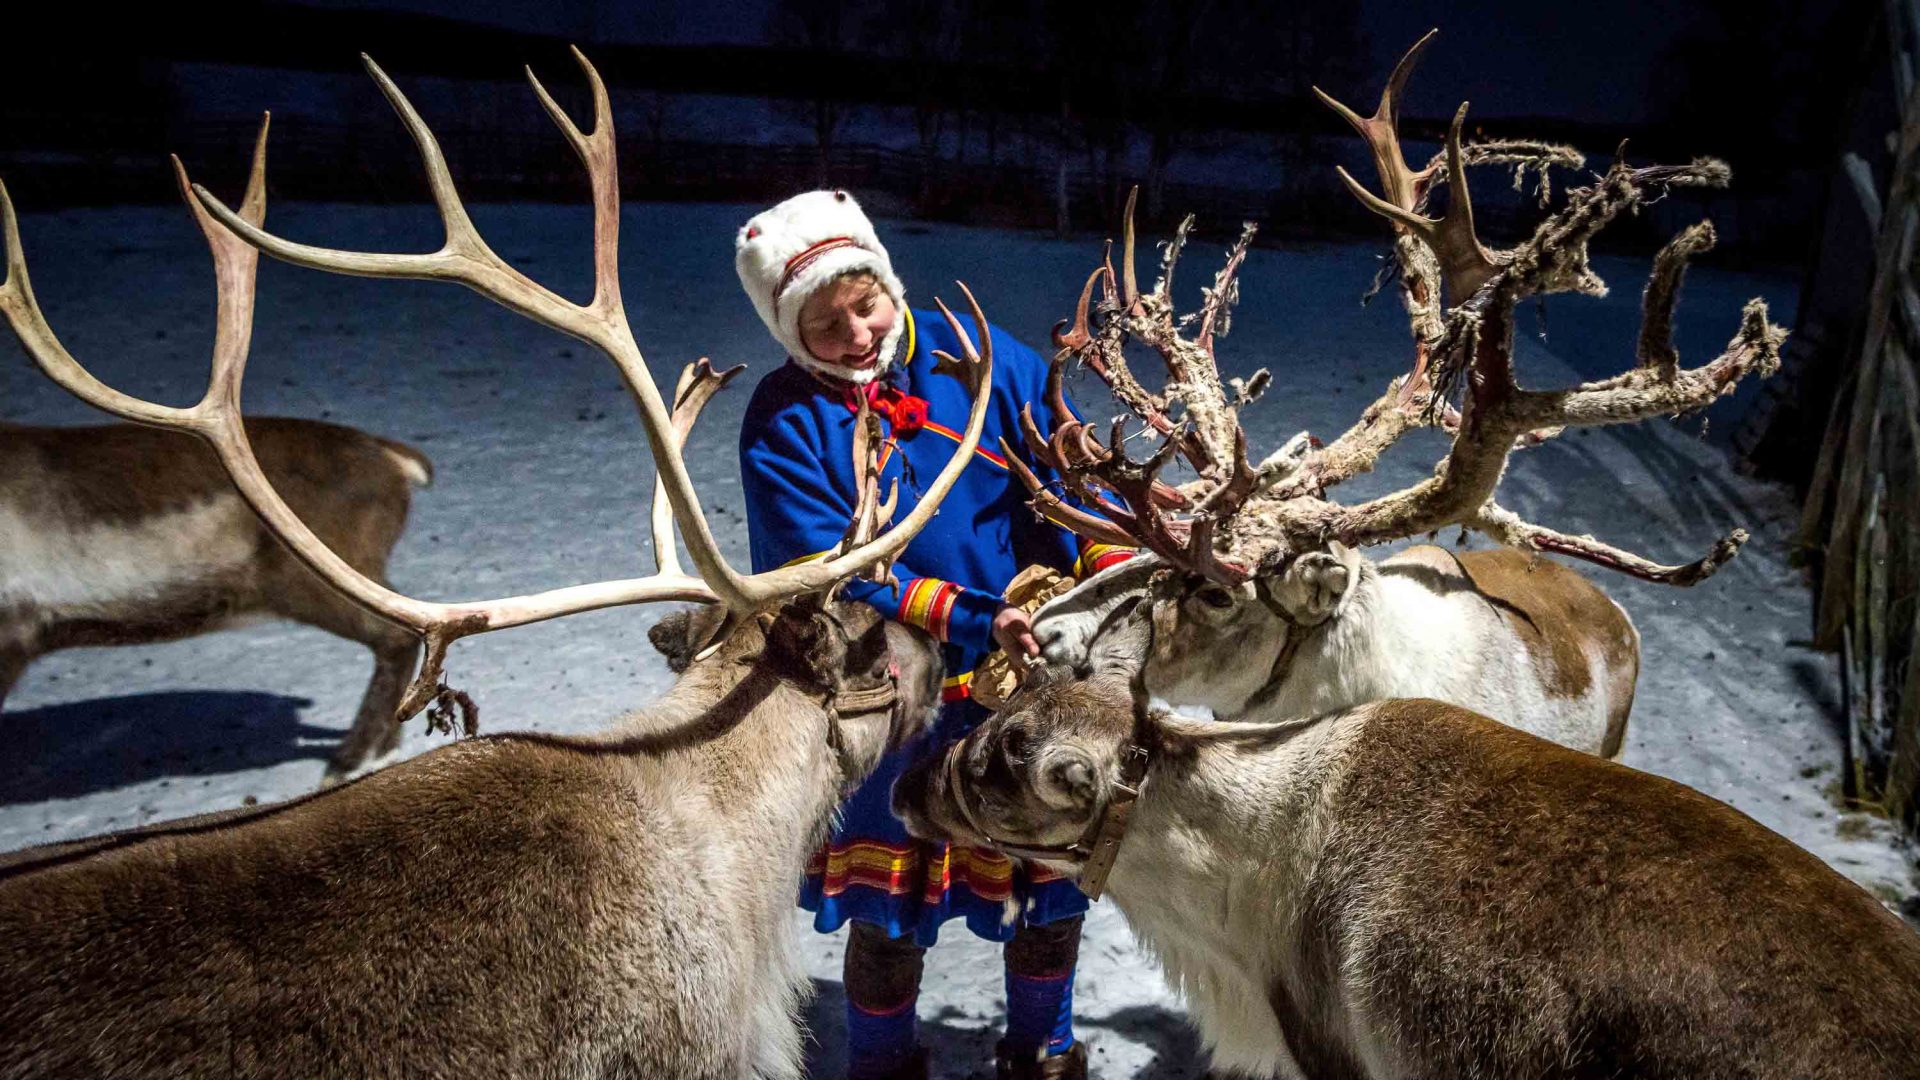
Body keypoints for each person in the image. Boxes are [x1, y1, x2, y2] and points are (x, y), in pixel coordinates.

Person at [735, 190, 1129, 1080]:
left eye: (864, 302)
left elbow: (1070, 482)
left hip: (1026, 682)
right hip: (891, 704)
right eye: (824, 323)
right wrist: (969, 615)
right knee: (888, 914)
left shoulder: (982, 364)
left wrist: (1111, 555)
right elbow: (828, 569)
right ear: (787, 329)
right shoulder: (784, 420)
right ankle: (880, 1066)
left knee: (1048, 895)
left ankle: (1045, 1054)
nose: (858, 334)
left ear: (888, 281)